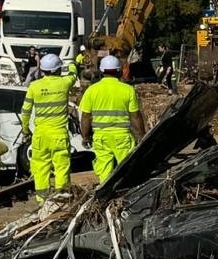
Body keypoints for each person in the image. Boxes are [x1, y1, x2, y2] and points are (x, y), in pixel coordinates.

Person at [79, 55, 145, 183]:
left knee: (104, 171)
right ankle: (125, 195)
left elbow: (85, 116)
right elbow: (135, 116)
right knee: (126, 170)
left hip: (101, 137)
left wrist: (85, 136)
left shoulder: (92, 90)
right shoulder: (128, 90)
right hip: (123, 137)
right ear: (119, 70)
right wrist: (141, 136)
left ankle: (106, 195)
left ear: (102, 71)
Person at [20, 53, 74, 203]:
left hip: (40, 136)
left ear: (42, 70)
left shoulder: (34, 86)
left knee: (40, 168)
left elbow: (25, 112)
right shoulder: (64, 83)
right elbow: (73, 74)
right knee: (62, 167)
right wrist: (71, 63)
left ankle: (42, 202)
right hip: (59, 135)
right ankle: (62, 200)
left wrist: (25, 130)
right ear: (58, 70)